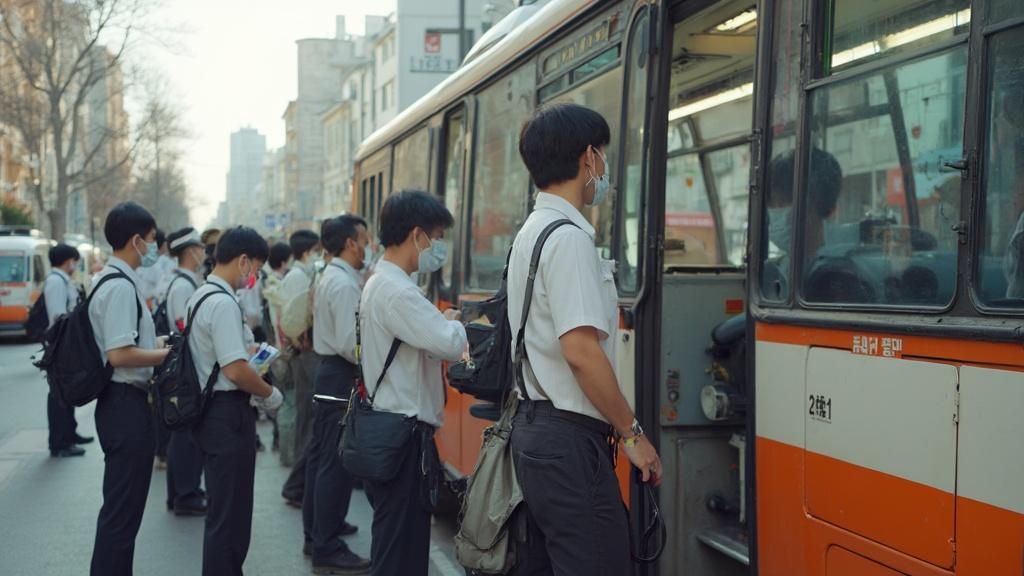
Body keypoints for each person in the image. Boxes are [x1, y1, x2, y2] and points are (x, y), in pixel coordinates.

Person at [507, 104, 662, 575]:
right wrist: (632, 434)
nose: (604, 167)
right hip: (568, 441)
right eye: (603, 155)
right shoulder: (569, 238)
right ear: (588, 157)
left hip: (535, 431)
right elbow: (580, 351)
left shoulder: (531, 232)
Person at [360, 191, 467, 576]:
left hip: (393, 430)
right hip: (404, 437)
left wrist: (441, 325)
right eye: (435, 237)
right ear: (416, 235)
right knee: (399, 551)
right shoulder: (398, 291)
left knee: (399, 544)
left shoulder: (384, 283)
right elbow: (449, 343)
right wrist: (453, 323)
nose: (437, 247)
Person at [187, 226, 284, 575]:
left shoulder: (201, 295)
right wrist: (270, 394)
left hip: (211, 414)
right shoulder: (223, 303)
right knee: (231, 518)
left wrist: (248, 351)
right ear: (243, 260)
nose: (254, 275)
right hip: (227, 415)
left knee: (223, 513)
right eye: (255, 267)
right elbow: (235, 371)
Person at [89, 201, 171, 576]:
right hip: (125, 405)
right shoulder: (120, 286)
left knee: (121, 514)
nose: (154, 247)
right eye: (151, 240)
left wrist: (156, 345)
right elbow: (120, 354)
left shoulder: (110, 279)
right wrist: (164, 356)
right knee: (121, 517)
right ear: (136, 240)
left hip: (119, 403)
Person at [302, 215, 372, 572]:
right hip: (339, 374)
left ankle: (317, 533)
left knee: (321, 460)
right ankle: (326, 546)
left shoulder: (334, 276)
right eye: (364, 240)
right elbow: (350, 344)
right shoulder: (343, 284)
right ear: (350, 243)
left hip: (329, 372)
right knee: (334, 463)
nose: (367, 247)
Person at [163, 227, 208, 516]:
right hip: (185, 368)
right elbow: (184, 327)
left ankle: (181, 492)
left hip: (186, 366)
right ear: (191, 251)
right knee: (185, 436)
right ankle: (185, 494)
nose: (204, 252)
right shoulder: (182, 286)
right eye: (201, 247)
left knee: (184, 435)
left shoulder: (187, 282)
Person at [278, 229, 322, 506]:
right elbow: (295, 317)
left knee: (307, 419)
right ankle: (296, 485)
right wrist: (300, 340)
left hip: (303, 352)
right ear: (307, 252)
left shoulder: (299, 274)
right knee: (309, 421)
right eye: (316, 251)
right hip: (305, 353)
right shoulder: (297, 277)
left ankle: (298, 484)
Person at [44, 243, 91, 458]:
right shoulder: (56, 282)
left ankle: (70, 433)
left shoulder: (62, 280)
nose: (75, 265)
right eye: (74, 261)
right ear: (67, 261)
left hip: (66, 343)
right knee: (58, 394)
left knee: (68, 390)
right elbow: (58, 316)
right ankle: (59, 442)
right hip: (61, 344)